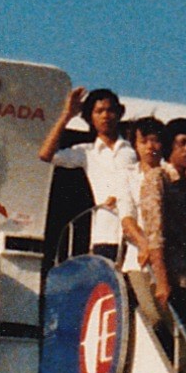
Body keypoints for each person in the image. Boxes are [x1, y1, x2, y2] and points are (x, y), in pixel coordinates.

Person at [38, 87, 136, 263]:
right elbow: (46, 155)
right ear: (90, 117)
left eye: (110, 110)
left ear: (120, 113)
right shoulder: (87, 152)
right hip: (105, 235)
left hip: (136, 233)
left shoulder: (133, 149)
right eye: (99, 111)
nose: (105, 115)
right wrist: (67, 115)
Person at [140, 118, 186, 323]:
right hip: (163, 272)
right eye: (182, 143)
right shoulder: (158, 178)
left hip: (185, 271)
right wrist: (163, 282)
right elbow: (154, 232)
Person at [118, 116, 164, 272]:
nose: (150, 147)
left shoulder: (170, 175)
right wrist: (145, 245)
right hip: (139, 261)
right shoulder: (128, 175)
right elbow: (127, 217)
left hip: (169, 261)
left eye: (155, 141)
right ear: (135, 146)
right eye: (144, 142)